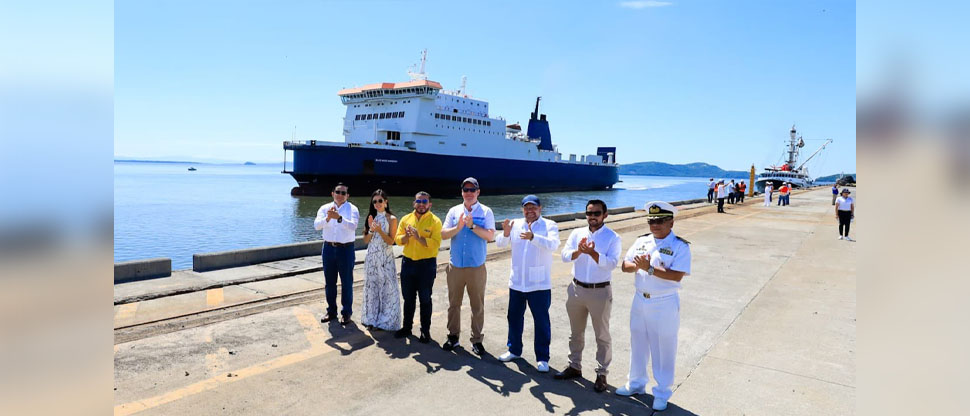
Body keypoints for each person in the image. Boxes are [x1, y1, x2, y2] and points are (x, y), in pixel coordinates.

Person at [615, 201, 692, 411]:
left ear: (671, 222)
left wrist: (649, 269)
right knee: (637, 342)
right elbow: (625, 265)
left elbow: (677, 276)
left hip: (664, 302)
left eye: (660, 221)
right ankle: (636, 383)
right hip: (640, 299)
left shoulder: (679, 246)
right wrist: (638, 267)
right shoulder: (642, 241)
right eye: (651, 220)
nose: (655, 225)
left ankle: (662, 392)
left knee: (663, 348)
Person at [554, 199, 623, 393]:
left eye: (597, 213)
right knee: (576, 332)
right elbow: (565, 255)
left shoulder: (613, 237)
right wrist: (579, 251)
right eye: (589, 213)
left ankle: (602, 373)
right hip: (576, 289)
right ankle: (574, 366)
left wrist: (592, 253)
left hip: (600, 291)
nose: (592, 217)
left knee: (602, 335)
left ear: (605, 215)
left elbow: (611, 264)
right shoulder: (577, 233)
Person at [495, 195, 561, 373]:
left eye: (533, 208)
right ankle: (514, 350)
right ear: (522, 209)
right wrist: (506, 232)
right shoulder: (516, 223)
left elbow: (554, 245)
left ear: (540, 209)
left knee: (541, 321)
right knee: (514, 318)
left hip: (539, 284)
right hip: (517, 282)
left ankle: (542, 358)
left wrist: (534, 237)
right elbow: (500, 243)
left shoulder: (549, 225)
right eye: (526, 208)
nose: (530, 211)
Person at [441, 177, 496, 355]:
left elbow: (490, 236)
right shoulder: (454, 211)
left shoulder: (486, 211)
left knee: (477, 305)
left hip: (476, 267)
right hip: (455, 265)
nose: (469, 193)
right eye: (466, 190)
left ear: (478, 192)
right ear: (462, 192)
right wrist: (459, 227)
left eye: (473, 190)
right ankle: (453, 336)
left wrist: (472, 227)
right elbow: (443, 234)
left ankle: (477, 340)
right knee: (453, 304)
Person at [393, 191, 443, 342]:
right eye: (419, 201)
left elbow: (435, 245)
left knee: (425, 299)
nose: (421, 205)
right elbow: (397, 239)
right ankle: (407, 327)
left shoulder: (435, 221)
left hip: (426, 266)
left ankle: (425, 331)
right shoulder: (406, 219)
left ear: (430, 204)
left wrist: (418, 237)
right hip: (408, 263)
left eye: (424, 202)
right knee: (408, 298)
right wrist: (407, 236)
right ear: (414, 203)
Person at [314, 183, 360, 325]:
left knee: (346, 282)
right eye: (338, 192)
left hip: (345, 249)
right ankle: (331, 311)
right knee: (330, 282)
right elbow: (316, 226)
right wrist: (328, 218)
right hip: (328, 248)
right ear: (332, 193)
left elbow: (353, 226)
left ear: (347, 195)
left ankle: (346, 313)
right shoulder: (324, 208)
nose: (340, 195)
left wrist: (339, 218)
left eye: (343, 193)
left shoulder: (352, 209)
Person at [361, 189, 401, 331]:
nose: (377, 204)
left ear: (386, 202)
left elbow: (391, 241)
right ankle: (371, 318)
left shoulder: (392, 219)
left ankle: (386, 320)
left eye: (380, 201)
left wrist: (379, 230)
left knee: (387, 289)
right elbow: (366, 240)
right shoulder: (370, 218)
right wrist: (371, 230)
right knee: (372, 288)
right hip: (372, 257)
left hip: (386, 258)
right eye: (375, 201)